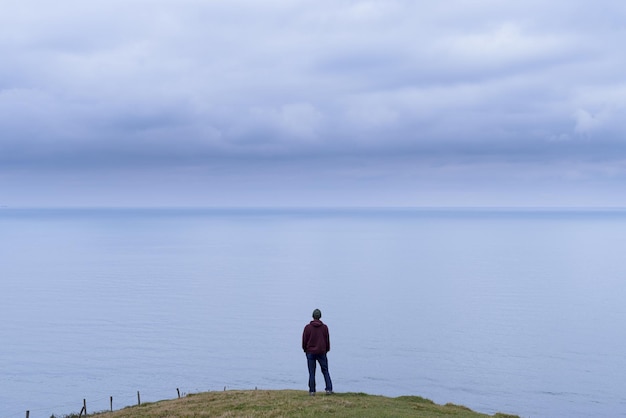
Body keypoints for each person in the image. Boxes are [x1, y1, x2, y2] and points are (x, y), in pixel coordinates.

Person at [302, 308, 333, 395]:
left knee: (312, 372)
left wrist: (305, 350)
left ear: (313, 316)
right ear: (320, 316)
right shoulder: (324, 328)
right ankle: (329, 389)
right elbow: (327, 340)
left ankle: (312, 391)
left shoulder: (307, 328)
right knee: (325, 370)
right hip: (322, 352)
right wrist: (326, 350)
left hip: (310, 352)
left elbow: (304, 340)